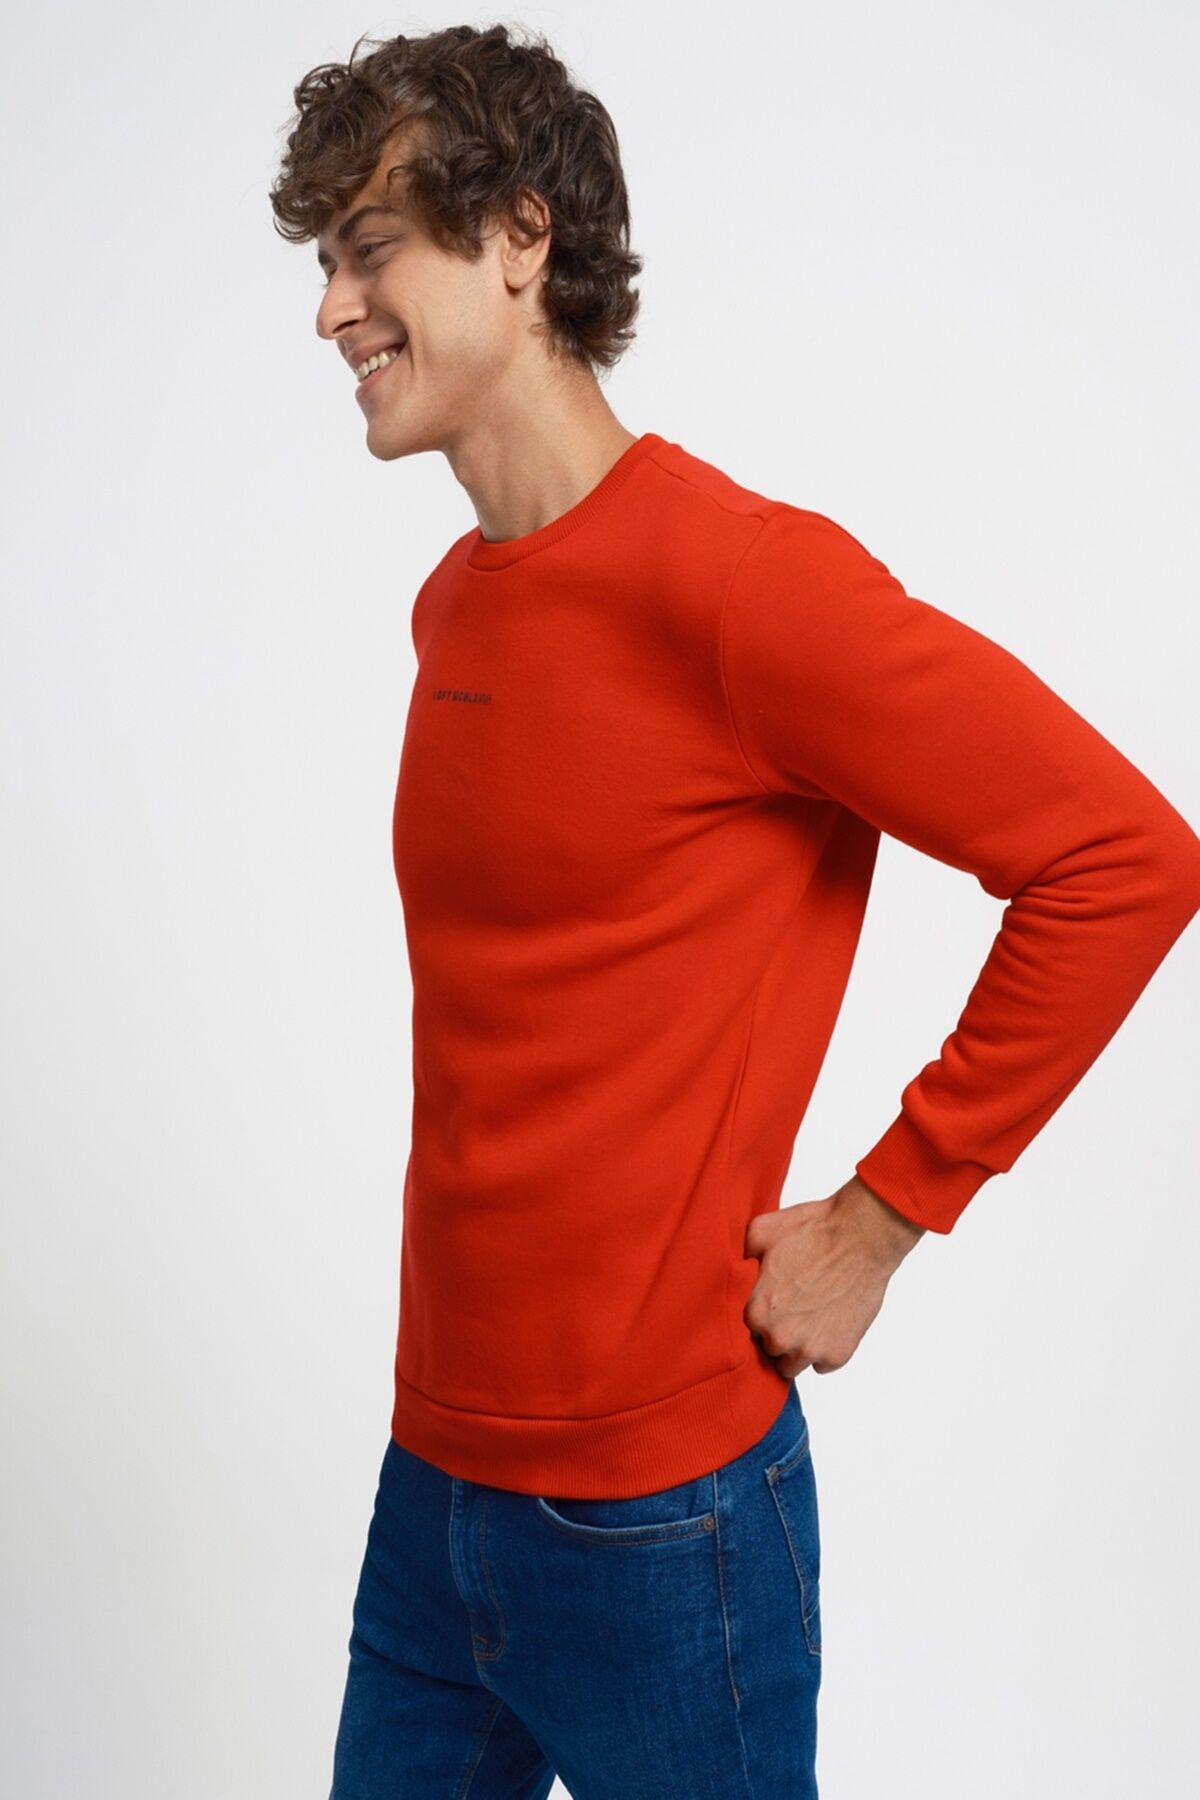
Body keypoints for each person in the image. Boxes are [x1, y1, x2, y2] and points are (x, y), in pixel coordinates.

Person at [269, 23, 1200, 1799]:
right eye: (323, 261)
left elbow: (1124, 857)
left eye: (370, 248)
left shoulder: (742, 588)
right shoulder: (457, 604)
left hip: (664, 1524)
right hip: (433, 1487)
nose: (330, 310)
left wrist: (891, 1207)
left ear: (521, 235)